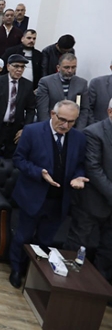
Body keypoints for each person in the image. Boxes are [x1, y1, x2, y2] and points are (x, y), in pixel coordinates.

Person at [8, 100, 88, 288]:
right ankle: (16, 269)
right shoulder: (32, 131)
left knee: (45, 241)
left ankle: (34, 272)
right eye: (62, 119)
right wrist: (39, 173)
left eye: (71, 122)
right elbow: (19, 159)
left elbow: (79, 165)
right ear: (53, 114)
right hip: (33, 197)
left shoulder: (79, 138)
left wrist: (78, 177)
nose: (65, 125)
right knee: (23, 237)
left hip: (59, 201)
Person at [69, 99, 112, 283]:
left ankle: (99, 288)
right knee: (77, 245)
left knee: (108, 251)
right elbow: (93, 169)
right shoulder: (93, 132)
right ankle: (69, 285)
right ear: (110, 112)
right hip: (91, 203)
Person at [0, 54, 36, 158]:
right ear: (8, 66)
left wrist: (25, 129)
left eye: (22, 67)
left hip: (15, 129)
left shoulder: (27, 85)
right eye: (16, 66)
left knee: (11, 159)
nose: (19, 70)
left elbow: (31, 109)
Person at [36, 53, 89, 130]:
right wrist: (48, 129)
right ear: (58, 67)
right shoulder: (46, 82)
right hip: (52, 125)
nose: (70, 70)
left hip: (73, 127)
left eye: (73, 67)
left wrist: (79, 130)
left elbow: (84, 109)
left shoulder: (82, 83)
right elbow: (42, 110)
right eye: (66, 67)